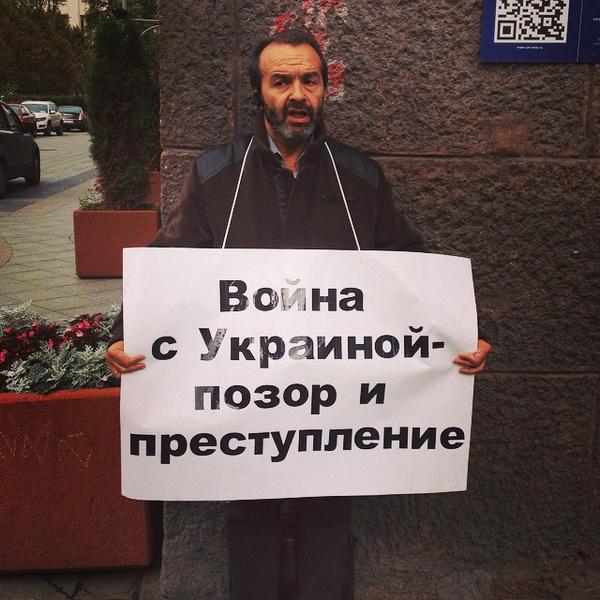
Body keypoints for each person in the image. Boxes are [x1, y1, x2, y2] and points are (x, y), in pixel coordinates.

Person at [106, 28, 491, 600]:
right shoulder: (215, 175)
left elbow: (411, 266)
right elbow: (169, 261)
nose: (297, 95)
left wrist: (462, 335)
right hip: (243, 394)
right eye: (281, 81)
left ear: (325, 88)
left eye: (309, 80)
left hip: (334, 399)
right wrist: (126, 334)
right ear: (258, 91)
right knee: (250, 510)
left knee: (328, 511)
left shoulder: (359, 177)